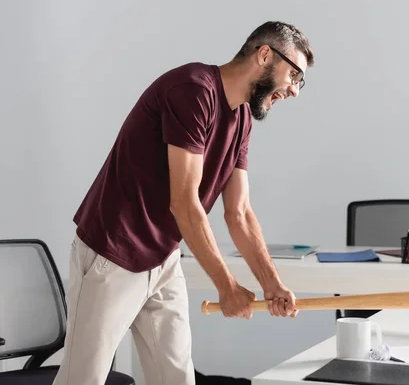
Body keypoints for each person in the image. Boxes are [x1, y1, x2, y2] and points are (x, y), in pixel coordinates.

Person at [52, 20, 314, 385]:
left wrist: (271, 284)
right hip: (112, 253)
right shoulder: (193, 91)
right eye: (294, 75)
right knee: (83, 380)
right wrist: (226, 286)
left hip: (162, 257)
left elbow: (238, 213)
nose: (295, 91)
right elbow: (185, 203)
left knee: (176, 378)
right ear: (265, 54)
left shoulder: (241, 119)